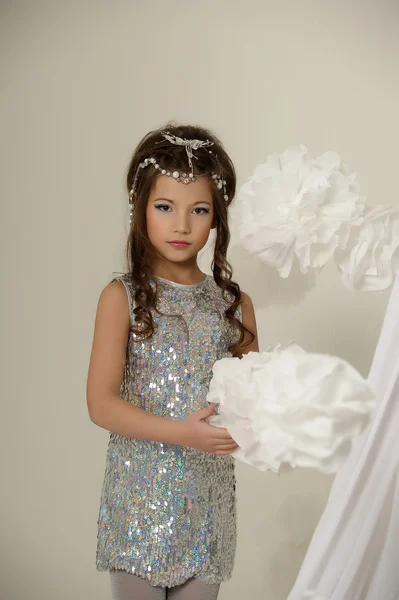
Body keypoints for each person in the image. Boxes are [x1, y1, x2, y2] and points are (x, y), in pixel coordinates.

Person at [86, 123, 259, 600]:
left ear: (216, 218)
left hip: (207, 509)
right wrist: (182, 433)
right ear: (140, 209)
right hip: (139, 501)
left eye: (198, 210)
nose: (182, 225)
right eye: (165, 207)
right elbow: (101, 404)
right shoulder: (122, 298)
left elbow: (253, 402)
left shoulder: (234, 304)